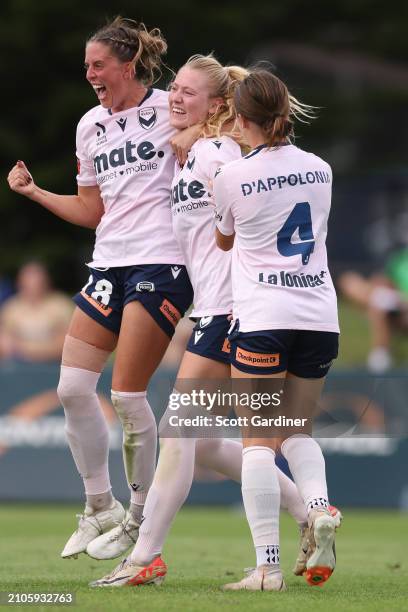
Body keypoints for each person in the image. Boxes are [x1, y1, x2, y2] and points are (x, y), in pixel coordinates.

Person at [89, 55, 314, 588]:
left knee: (179, 430)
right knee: (207, 444)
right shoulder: (188, 154)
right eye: (174, 90)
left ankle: (145, 555)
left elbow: (257, 213)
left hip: (235, 311)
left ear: (218, 105)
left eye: (189, 93)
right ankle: (311, 516)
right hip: (213, 310)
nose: (175, 98)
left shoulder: (219, 153)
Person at [7, 17, 196, 560]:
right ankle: (100, 507)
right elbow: (93, 210)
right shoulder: (90, 124)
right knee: (70, 389)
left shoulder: (170, 109)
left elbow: (219, 120)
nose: (89, 73)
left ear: (127, 65)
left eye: (98, 64)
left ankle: (139, 520)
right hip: (109, 264)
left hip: (160, 264)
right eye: (87, 65)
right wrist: (36, 192)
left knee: (127, 395)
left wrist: (194, 133)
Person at [213, 70, 340, 591]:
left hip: (264, 318)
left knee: (257, 443)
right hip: (318, 317)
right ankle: (317, 509)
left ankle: (266, 566)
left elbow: (224, 242)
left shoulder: (232, 176)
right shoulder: (321, 167)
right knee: (298, 431)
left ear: (241, 120)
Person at [338, 248, 408, 372]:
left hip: (402, 309)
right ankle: (380, 358)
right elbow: (386, 279)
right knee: (350, 281)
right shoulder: (401, 257)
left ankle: (380, 359)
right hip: (394, 303)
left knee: (379, 303)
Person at [0, 261, 72, 362]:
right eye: (28, 282)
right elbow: (5, 344)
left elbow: (67, 344)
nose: (33, 285)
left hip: (55, 367)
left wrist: (23, 349)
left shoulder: (61, 305)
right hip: (19, 369)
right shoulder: (11, 307)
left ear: (46, 282)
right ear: (20, 283)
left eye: (37, 281)